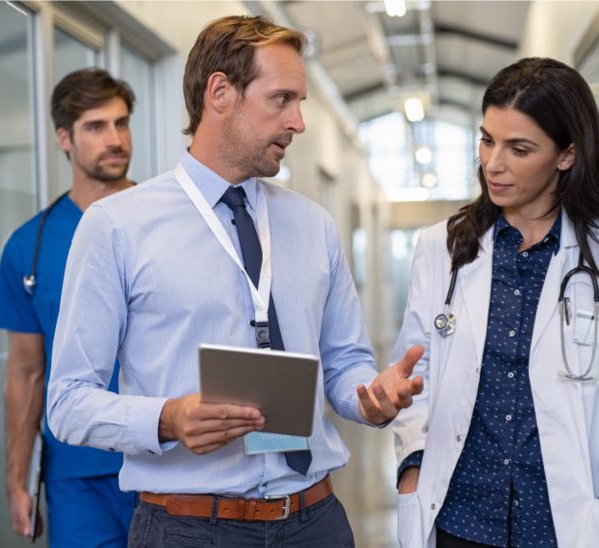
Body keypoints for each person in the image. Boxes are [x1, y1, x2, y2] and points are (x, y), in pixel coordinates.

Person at [47, 15, 423, 548]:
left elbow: (344, 363)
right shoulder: (117, 226)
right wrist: (168, 418)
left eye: (301, 102)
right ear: (220, 92)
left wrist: (369, 395)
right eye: (282, 99)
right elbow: (67, 401)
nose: (299, 122)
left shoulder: (312, 225)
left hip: (315, 520)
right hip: (189, 528)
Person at [391, 56, 599, 548]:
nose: (493, 163)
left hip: (569, 525)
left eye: (519, 148)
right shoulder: (440, 248)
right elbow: (413, 378)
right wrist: (412, 475)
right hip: (458, 520)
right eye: (487, 140)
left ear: (566, 155)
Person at [0, 68, 136, 547]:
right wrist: (17, 479)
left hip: (169, 462)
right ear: (64, 139)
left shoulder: (169, 221)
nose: (114, 139)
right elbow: (27, 373)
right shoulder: (28, 247)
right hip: (75, 474)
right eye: (96, 127)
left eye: (121, 123)